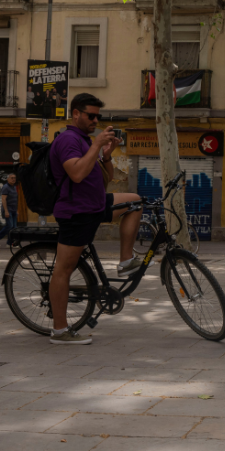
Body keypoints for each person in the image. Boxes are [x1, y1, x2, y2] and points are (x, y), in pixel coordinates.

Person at [47, 93, 143, 345]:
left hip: (95, 205)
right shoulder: (69, 139)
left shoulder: (85, 140)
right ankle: (59, 330)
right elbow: (77, 174)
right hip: (76, 213)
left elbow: (106, 178)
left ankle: (125, 261)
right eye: (91, 115)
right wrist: (94, 146)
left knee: (135, 201)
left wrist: (107, 153)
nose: (95, 120)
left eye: (98, 116)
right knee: (63, 270)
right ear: (76, 114)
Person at [0, 173, 19, 248]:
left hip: (13, 209)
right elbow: (3, 199)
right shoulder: (6, 187)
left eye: (14, 178)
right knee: (9, 225)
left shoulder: (14, 187)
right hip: (8, 209)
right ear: (7, 179)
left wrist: (16, 210)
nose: (13, 179)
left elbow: (14, 200)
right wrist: (6, 211)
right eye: (12, 178)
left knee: (14, 227)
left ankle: (9, 243)